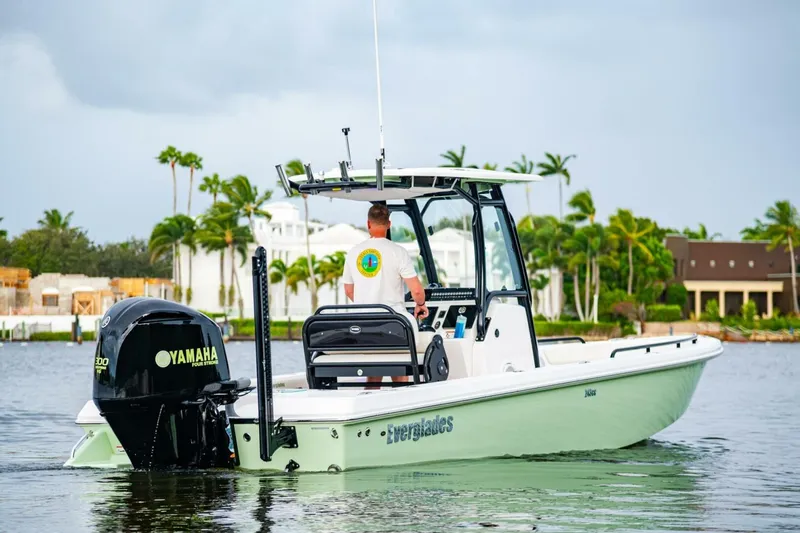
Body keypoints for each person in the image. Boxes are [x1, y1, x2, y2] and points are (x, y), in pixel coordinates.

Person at [342, 203, 429, 386]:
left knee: (374, 374)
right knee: (400, 368)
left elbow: (349, 291)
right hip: (393, 325)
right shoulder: (398, 252)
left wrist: (366, 299)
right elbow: (417, 291)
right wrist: (420, 304)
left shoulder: (353, 253)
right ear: (389, 224)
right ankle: (401, 400)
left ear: (368, 224)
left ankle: (370, 402)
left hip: (362, 327)